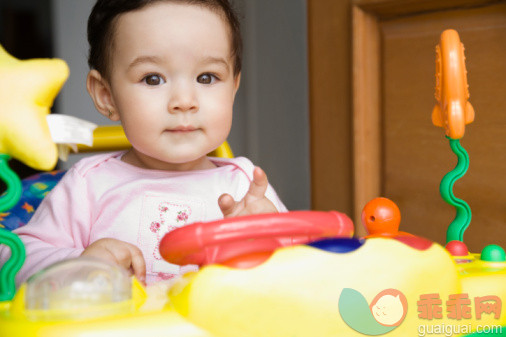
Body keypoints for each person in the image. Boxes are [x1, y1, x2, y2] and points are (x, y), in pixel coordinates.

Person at [2, 0, 286, 286]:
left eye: (206, 77)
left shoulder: (246, 188)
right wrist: (80, 263)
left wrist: (271, 242)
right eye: (152, 79)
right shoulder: (88, 185)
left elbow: (304, 277)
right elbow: (13, 261)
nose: (184, 102)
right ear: (106, 95)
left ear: (233, 87)